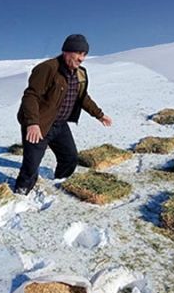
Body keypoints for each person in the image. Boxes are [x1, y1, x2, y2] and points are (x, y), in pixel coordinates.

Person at [14, 34, 112, 195]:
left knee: (70, 158)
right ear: (66, 51)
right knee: (31, 166)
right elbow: (31, 96)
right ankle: (21, 192)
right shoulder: (48, 68)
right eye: (79, 53)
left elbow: (82, 97)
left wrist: (99, 115)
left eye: (84, 54)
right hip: (40, 124)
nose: (82, 58)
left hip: (60, 124)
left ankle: (60, 181)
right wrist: (32, 123)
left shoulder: (80, 73)